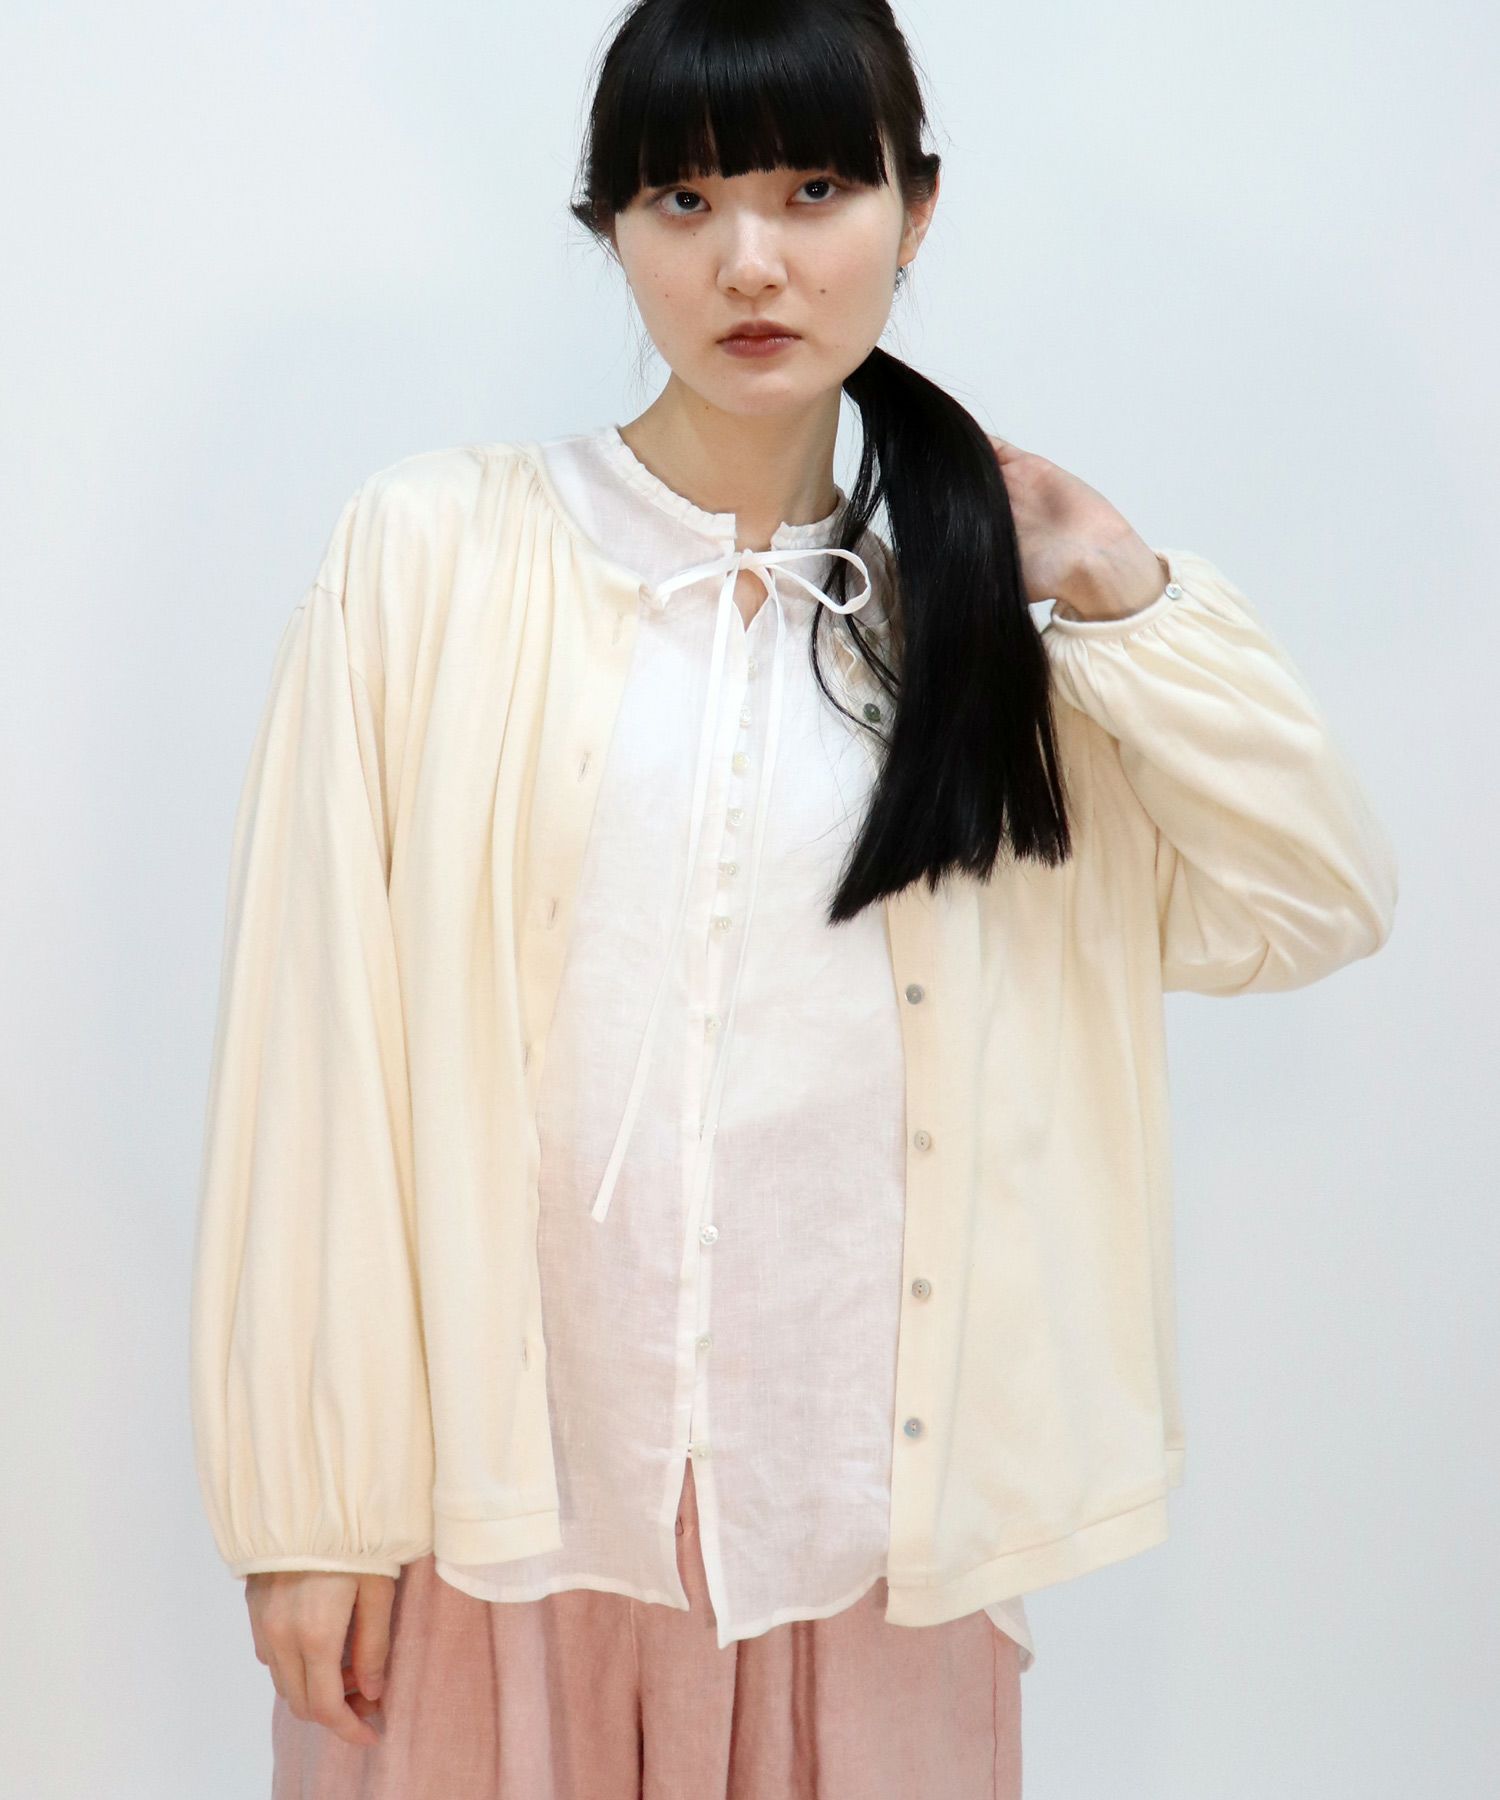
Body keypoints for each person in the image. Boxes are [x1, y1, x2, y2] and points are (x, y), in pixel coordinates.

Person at [187, 2, 1400, 1795]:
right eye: (682, 201)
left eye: (816, 189)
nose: (749, 261)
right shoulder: (438, 556)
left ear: (918, 211)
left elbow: (1310, 900)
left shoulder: (978, 643)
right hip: (490, 1528)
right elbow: (317, 1041)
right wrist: (312, 1506)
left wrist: (1118, 586)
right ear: (611, 228)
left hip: (869, 1549)